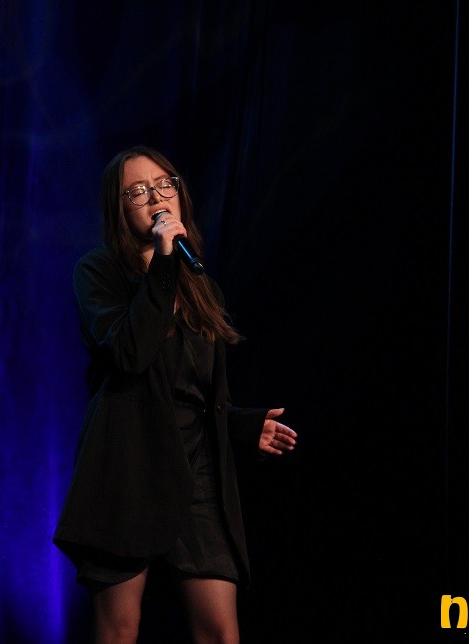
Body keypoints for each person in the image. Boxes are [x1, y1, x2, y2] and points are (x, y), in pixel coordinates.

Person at [53, 145, 298, 643]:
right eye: (138, 191)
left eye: (165, 184)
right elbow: (130, 355)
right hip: (127, 470)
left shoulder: (201, 286)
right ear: (119, 208)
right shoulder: (98, 273)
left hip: (196, 474)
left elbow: (189, 392)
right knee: (119, 630)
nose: (156, 197)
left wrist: (242, 426)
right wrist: (162, 263)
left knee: (220, 632)